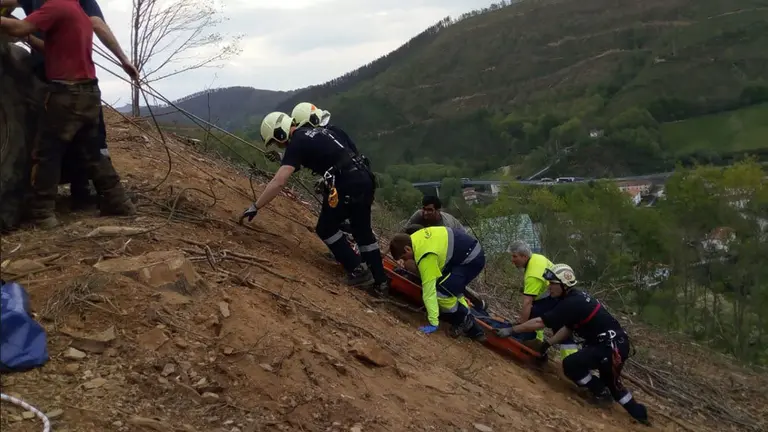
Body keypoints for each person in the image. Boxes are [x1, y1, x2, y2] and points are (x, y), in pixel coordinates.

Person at [0, 0, 135, 229]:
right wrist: (31, 39)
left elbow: (18, 28)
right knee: (93, 153)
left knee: (48, 153)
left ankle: (42, 214)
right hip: (89, 93)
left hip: (66, 94)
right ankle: (118, 201)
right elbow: (52, 47)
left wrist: (15, 26)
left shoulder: (55, 7)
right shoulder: (77, 10)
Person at [241, 111, 389, 295]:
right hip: (364, 178)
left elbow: (279, 181)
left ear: (280, 133)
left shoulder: (296, 142)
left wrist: (256, 206)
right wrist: (283, 159)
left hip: (347, 183)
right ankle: (380, 282)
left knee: (326, 228)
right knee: (362, 231)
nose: (278, 145)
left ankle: (357, 270)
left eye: (275, 141)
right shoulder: (318, 132)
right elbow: (317, 154)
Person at [495, 264, 650, 426]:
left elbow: (541, 322)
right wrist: (547, 344)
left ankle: (629, 409)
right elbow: (568, 328)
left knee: (577, 368)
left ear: (564, 284)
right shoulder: (574, 298)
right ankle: (624, 404)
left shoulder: (572, 302)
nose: (549, 286)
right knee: (609, 381)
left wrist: (512, 330)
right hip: (610, 344)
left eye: (553, 283)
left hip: (609, 347)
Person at [388, 227, 486, 340]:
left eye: (403, 258)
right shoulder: (414, 239)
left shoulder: (425, 257)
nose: (404, 261)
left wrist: (433, 323)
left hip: (471, 260)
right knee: (451, 288)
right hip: (463, 254)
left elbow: (429, 293)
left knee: (442, 293)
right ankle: (473, 327)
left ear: (407, 249)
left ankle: (463, 320)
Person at [509, 240, 578, 359]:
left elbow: (527, 303)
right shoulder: (536, 258)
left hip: (556, 298)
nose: (512, 260)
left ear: (524, 256)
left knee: (537, 315)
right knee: (537, 313)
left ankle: (570, 362)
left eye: (515, 256)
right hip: (560, 295)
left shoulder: (532, 275)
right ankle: (537, 344)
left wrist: (519, 328)